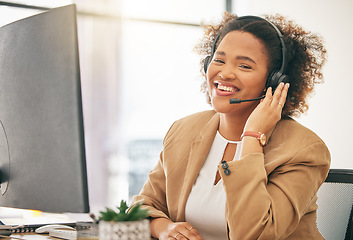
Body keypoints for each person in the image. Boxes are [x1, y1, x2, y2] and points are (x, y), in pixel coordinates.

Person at [131, 12, 330, 240]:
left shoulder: (303, 150)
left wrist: (252, 137)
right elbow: (143, 205)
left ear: (274, 81)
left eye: (244, 66)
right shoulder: (184, 130)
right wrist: (163, 227)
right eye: (219, 60)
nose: (224, 73)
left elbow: (254, 234)